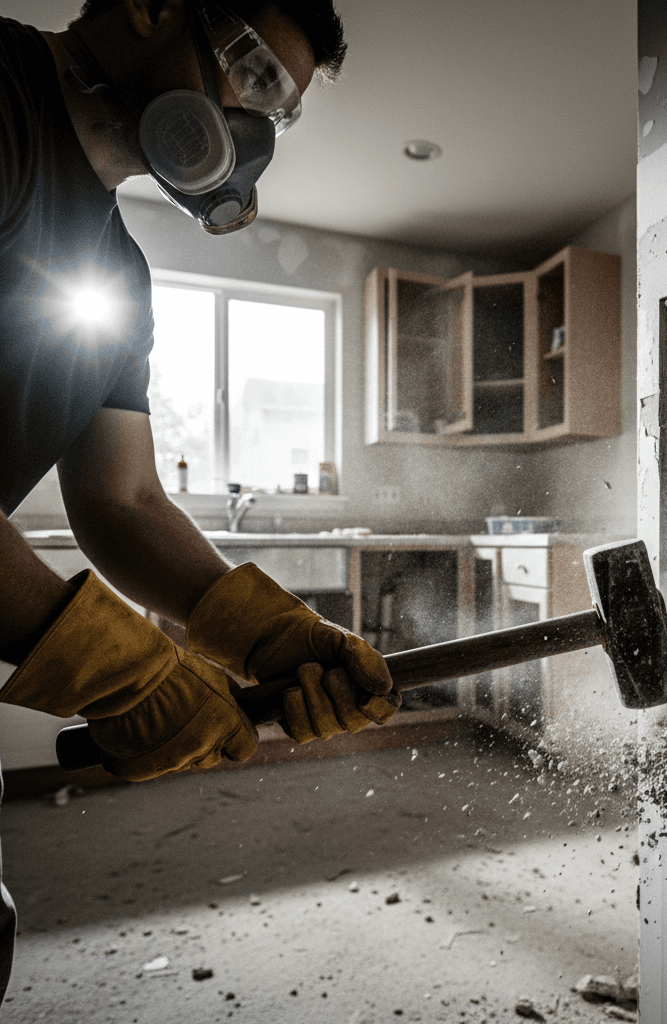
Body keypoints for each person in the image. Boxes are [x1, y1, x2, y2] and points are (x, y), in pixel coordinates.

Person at [0, 0, 397, 998]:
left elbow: (125, 499)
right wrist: (111, 662)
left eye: (281, 113)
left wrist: (264, 634)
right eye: (256, 79)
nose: (255, 131)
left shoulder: (114, 273)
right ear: (149, 8)